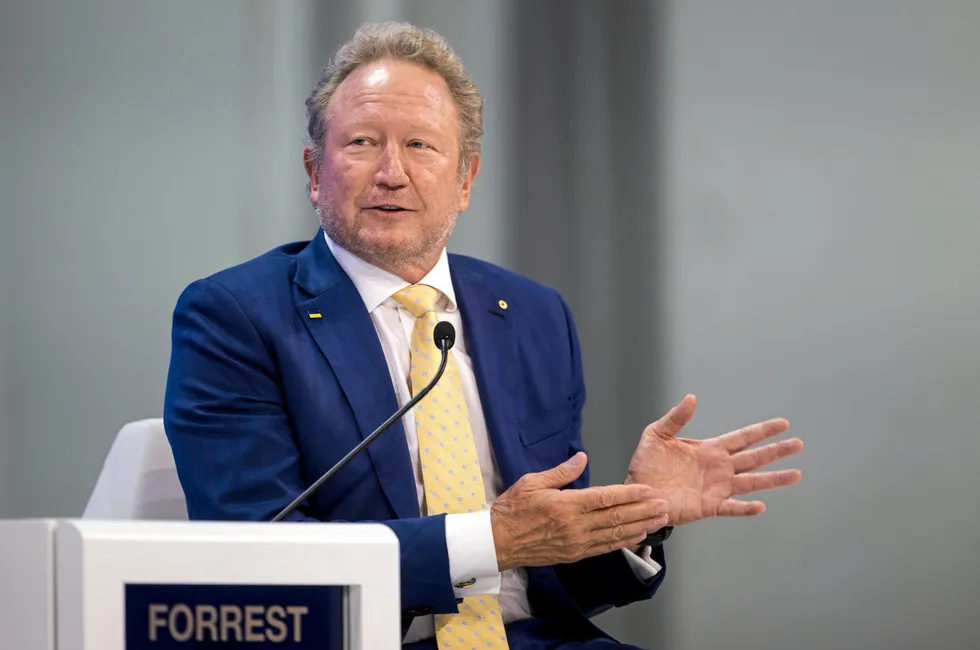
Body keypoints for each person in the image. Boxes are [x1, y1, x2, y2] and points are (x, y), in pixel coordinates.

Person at [163, 22, 803, 650]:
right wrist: (490, 540)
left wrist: (634, 521)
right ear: (313, 171)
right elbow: (254, 552)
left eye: (421, 146)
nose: (392, 172)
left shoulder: (532, 314)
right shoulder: (236, 316)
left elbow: (553, 574)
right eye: (361, 142)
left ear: (465, 179)